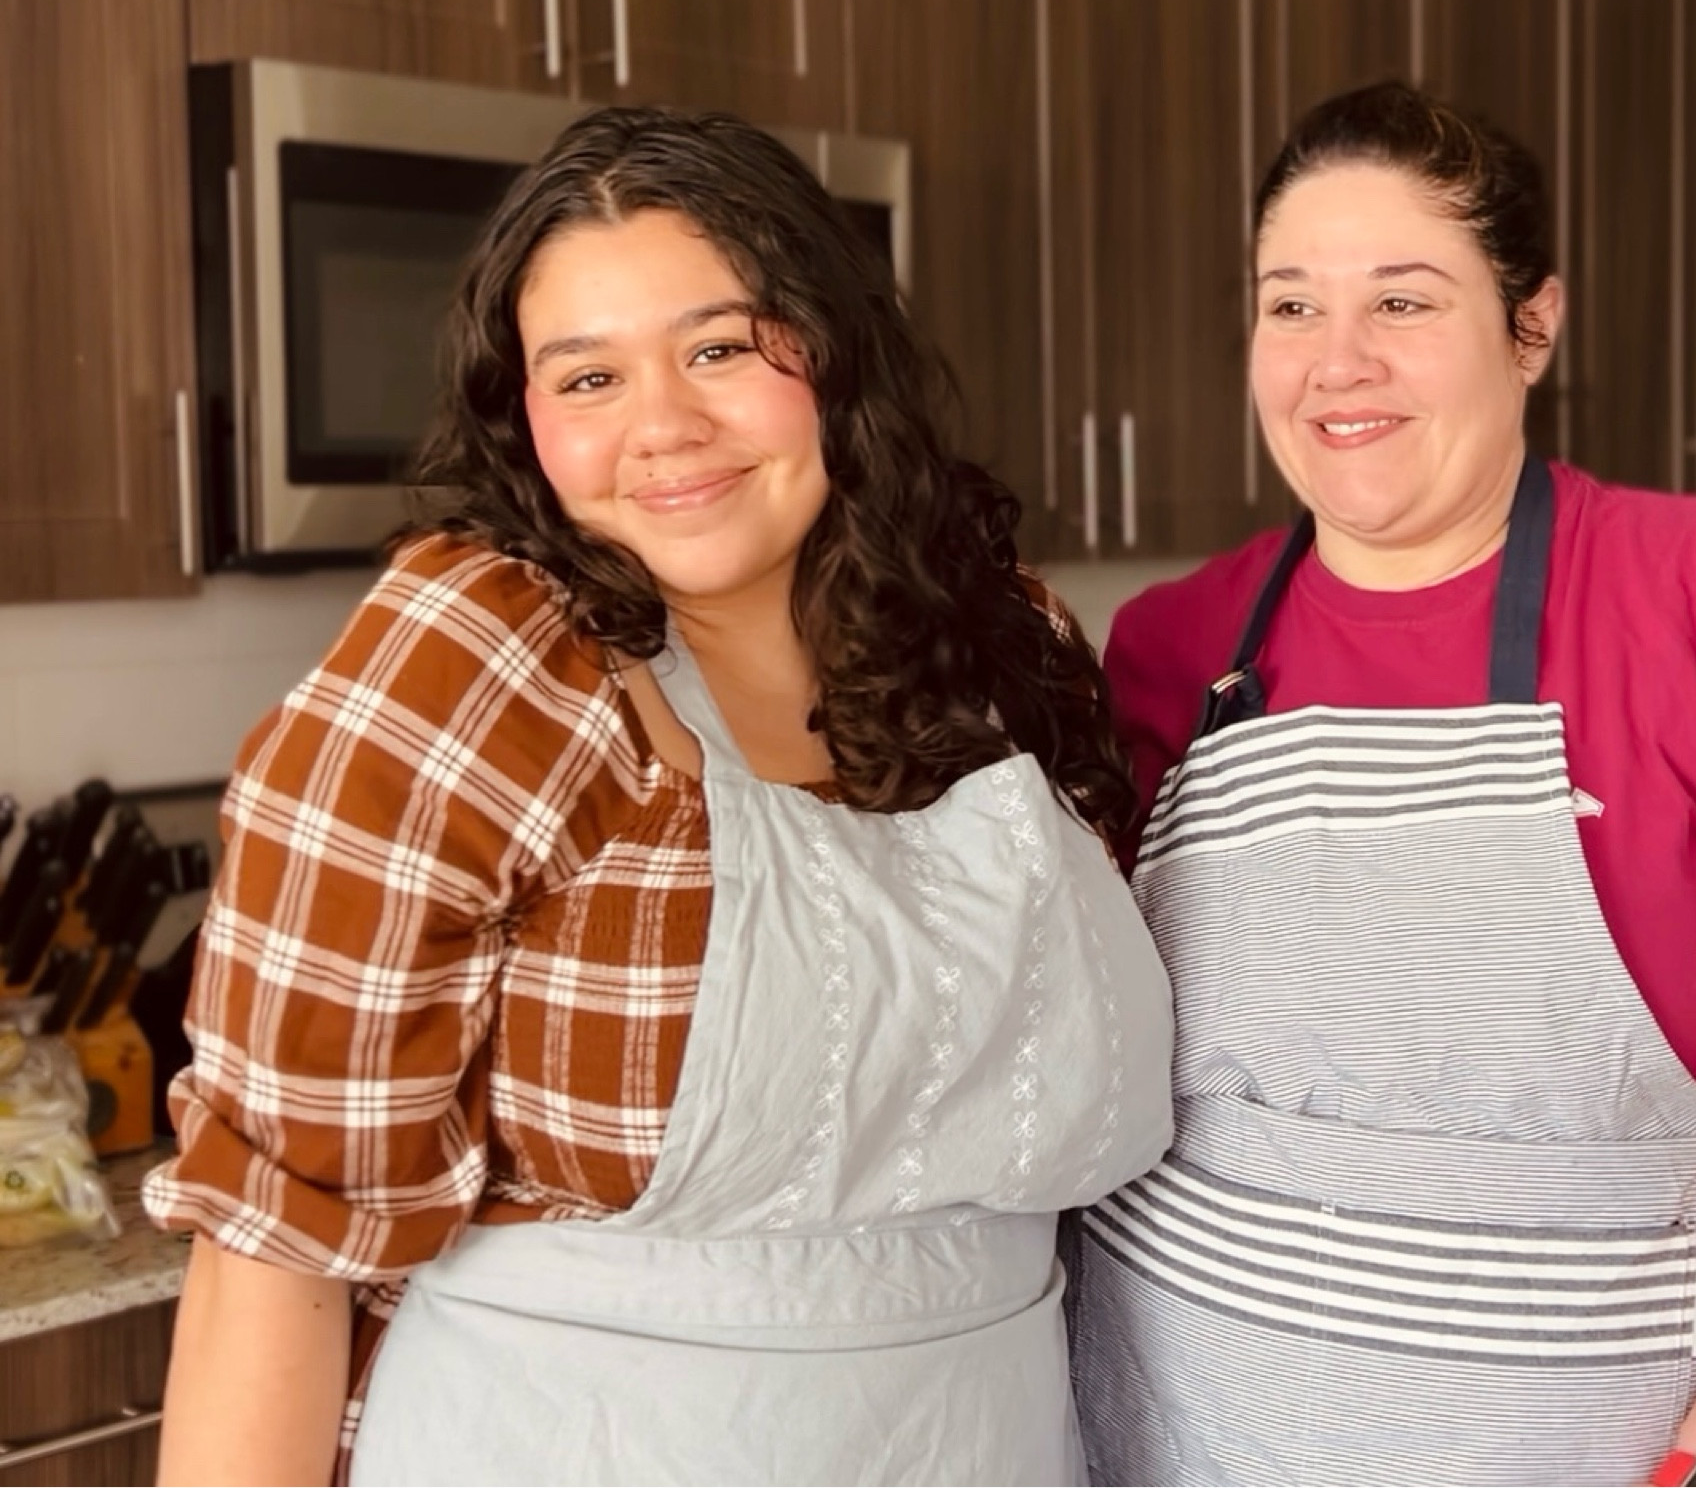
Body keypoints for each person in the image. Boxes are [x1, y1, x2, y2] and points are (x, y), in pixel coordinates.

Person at [144, 106, 1174, 1486]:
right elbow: (273, 1248)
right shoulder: (474, 660)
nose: (665, 429)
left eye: (721, 347)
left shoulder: (1003, 643)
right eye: (588, 379)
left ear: (835, 347)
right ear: (526, 416)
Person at [1067, 81, 1696, 1487]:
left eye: (1407, 301)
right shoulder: (1170, 648)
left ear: (1532, 322)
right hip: (1174, 1448)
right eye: (1292, 304)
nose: (1338, 361)